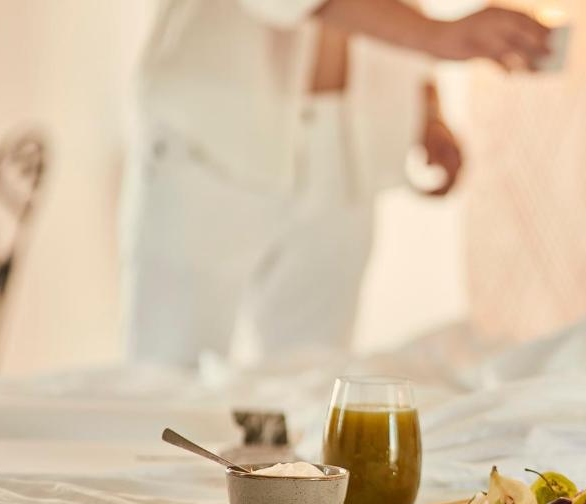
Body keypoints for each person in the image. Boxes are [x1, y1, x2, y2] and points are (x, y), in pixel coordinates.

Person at [121, 0, 549, 365]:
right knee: (168, 376)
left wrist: (426, 108)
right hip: (213, 140)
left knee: (312, 375)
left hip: (346, 150)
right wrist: (437, 35)